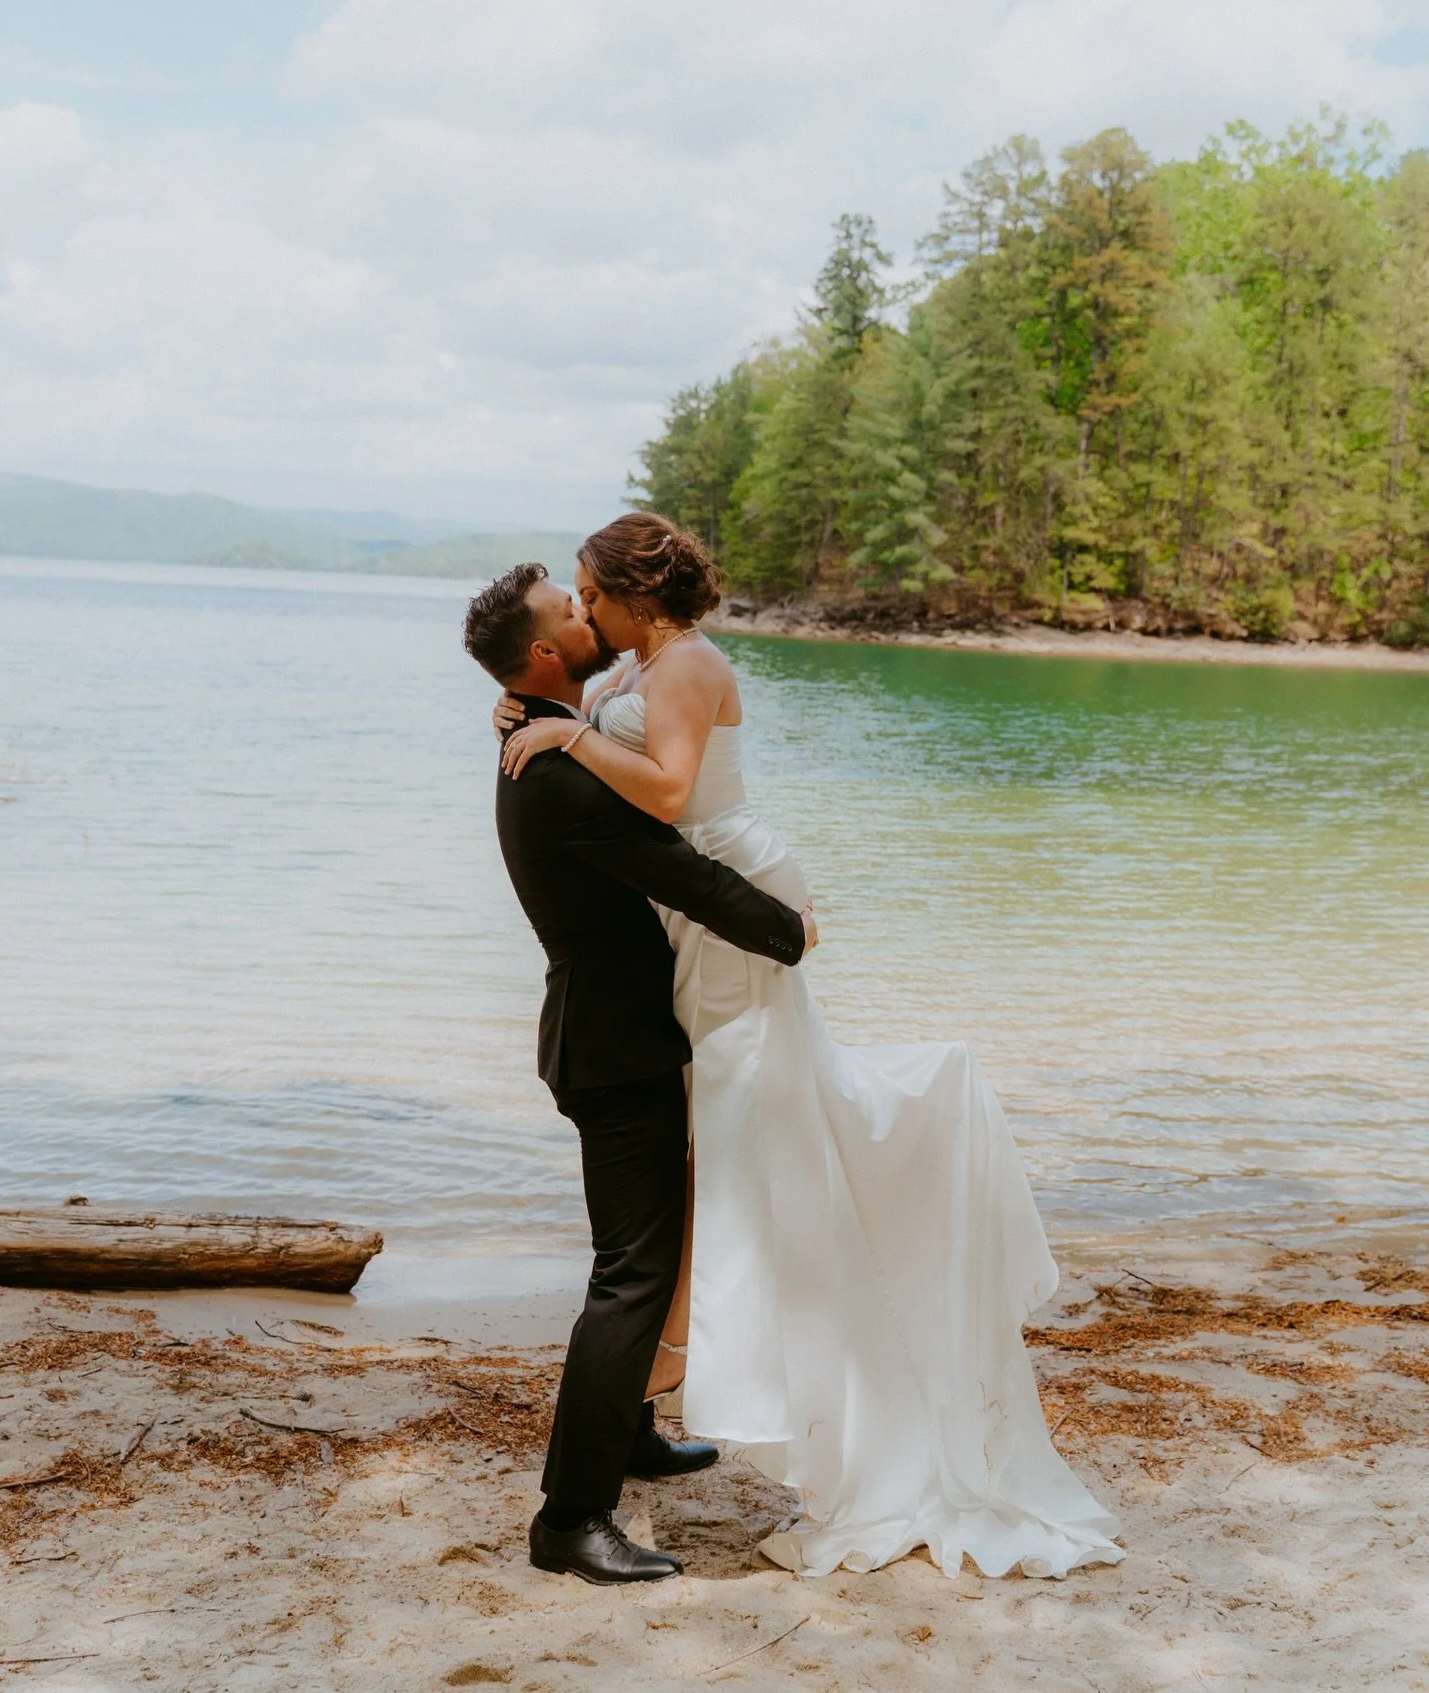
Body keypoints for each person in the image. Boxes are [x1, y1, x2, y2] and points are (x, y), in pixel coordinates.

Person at [495, 513, 1124, 1580]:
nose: (585, 608)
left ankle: (653, 1437)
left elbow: (670, 801)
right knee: (701, 1184)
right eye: (573, 605)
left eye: (590, 593)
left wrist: (568, 733)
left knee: (745, 1155)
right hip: (680, 944)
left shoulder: (675, 670)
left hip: (726, 905)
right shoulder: (623, 678)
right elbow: (621, 780)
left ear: (634, 597)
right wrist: (545, 712)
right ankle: (631, 1437)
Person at [462, 565, 813, 1587]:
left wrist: (539, 710)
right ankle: (570, 1516)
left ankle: (630, 1436)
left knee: (637, 1258)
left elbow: (621, 735)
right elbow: (681, 871)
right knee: (632, 1274)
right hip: (615, 1050)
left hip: (612, 1037)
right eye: (568, 610)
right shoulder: (556, 767)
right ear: (543, 653)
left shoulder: (544, 731)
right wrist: (786, 932)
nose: (586, 613)